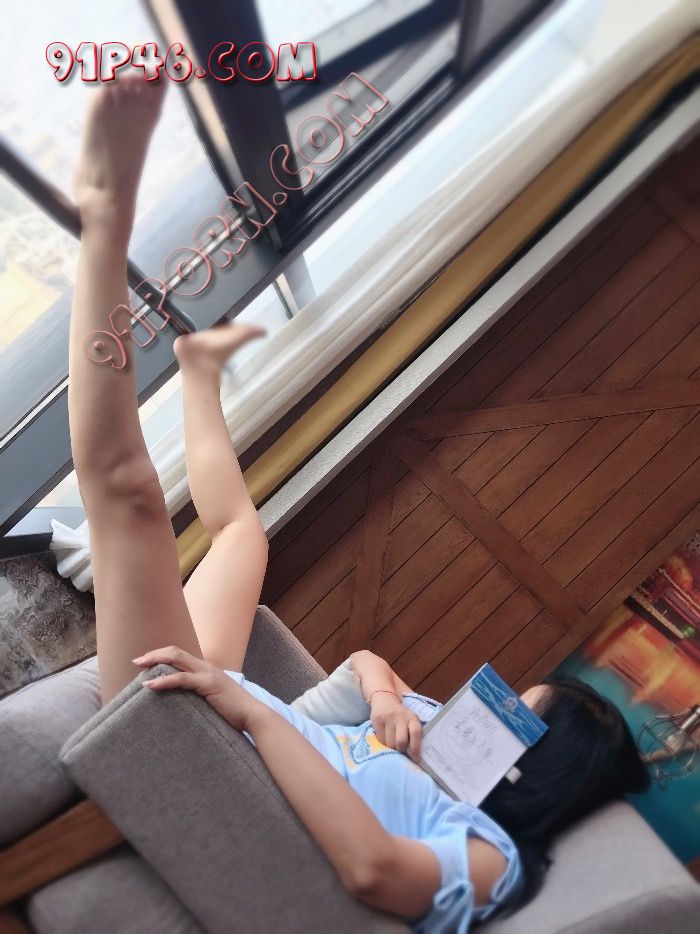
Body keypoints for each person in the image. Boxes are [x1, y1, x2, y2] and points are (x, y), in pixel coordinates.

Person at [70, 75, 650, 933]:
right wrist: (385, 701)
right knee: (242, 535)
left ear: (536, 771)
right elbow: (371, 666)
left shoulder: (491, 852)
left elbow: (376, 872)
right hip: (225, 708)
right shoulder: (434, 736)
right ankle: (198, 375)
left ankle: (102, 220)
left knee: (129, 498)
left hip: (211, 746)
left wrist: (250, 713)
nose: (482, 721)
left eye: (514, 723)